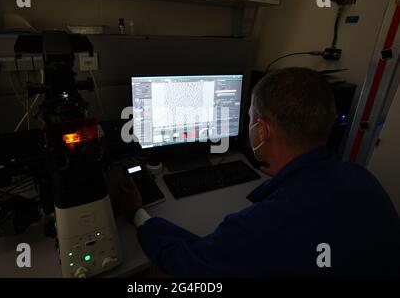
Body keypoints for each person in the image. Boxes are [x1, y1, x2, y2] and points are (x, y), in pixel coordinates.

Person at [120, 67, 400, 277]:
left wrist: (139, 214)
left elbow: (189, 262)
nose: (248, 122)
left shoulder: (263, 225)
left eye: (251, 116)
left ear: (262, 130)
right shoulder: (363, 179)